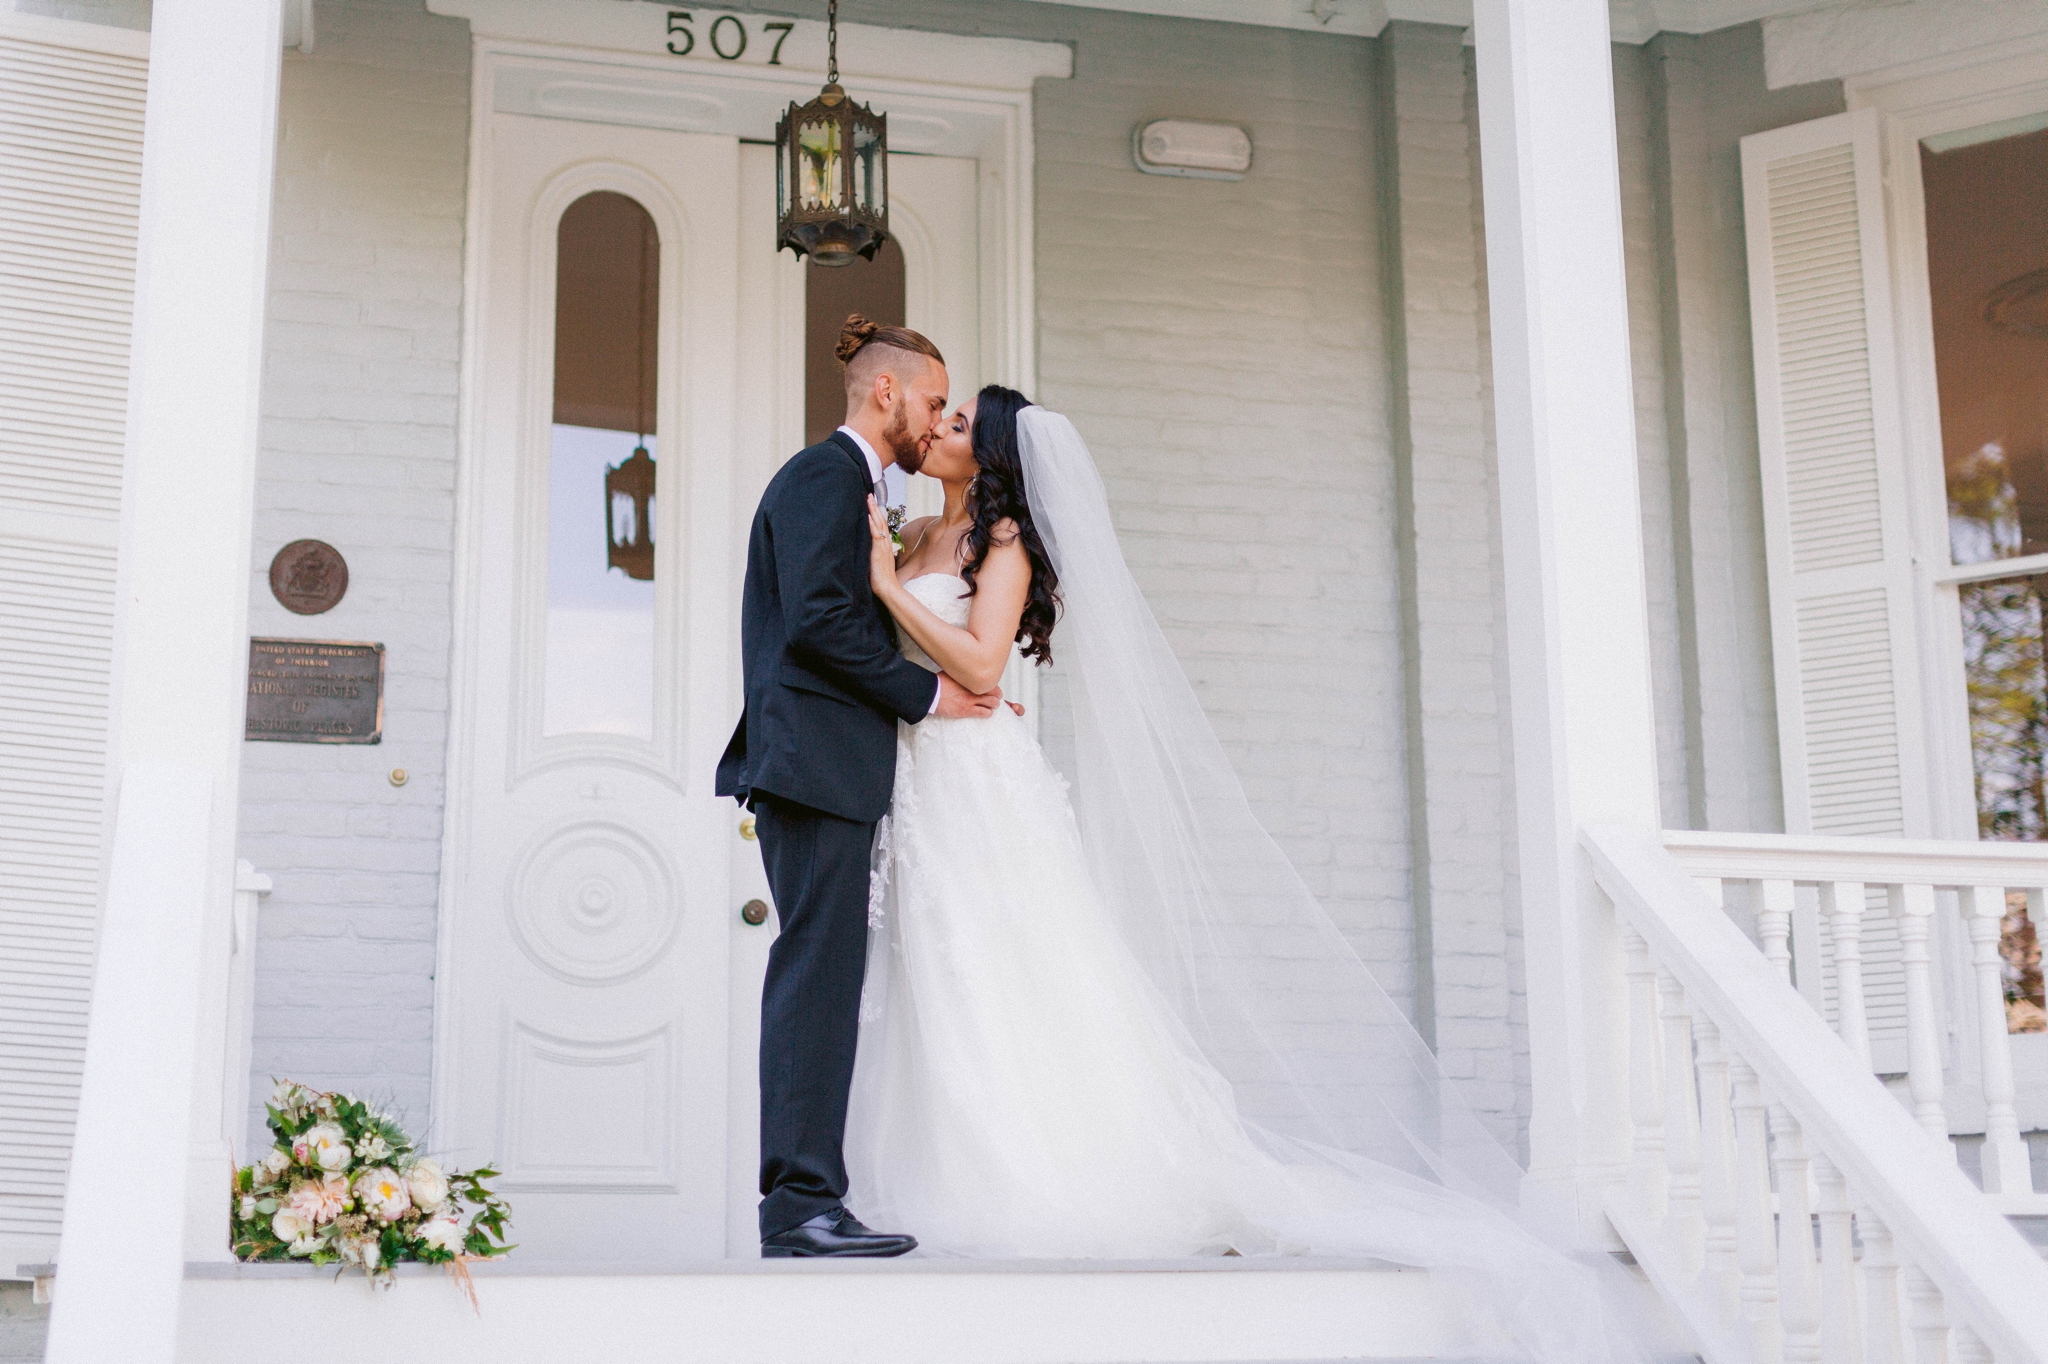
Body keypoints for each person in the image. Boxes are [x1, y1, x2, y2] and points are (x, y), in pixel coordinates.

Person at [845, 390, 1655, 1362]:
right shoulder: (921, 525)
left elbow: (980, 665)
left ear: (997, 456)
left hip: (979, 778)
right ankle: (952, 1175)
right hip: (924, 782)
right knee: (946, 974)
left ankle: (1054, 1176)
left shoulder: (1002, 538)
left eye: (963, 423)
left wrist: (890, 591)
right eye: (940, 416)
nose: (938, 429)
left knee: (1015, 968)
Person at [716, 316, 1004, 1259]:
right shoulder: (821, 478)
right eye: (931, 401)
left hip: (834, 768)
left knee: (830, 979)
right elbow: (816, 624)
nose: (934, 421)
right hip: (811, 767)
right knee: (816, 978)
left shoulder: (867, 496)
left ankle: (812, 1198)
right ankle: (799, 1206)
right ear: (888, 392)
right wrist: (930, 694)